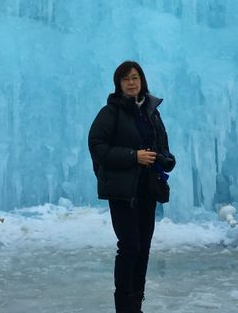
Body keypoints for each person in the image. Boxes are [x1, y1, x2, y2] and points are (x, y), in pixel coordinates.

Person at [88, 61, 176, 313]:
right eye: (125, 79)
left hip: (146, 188)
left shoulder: (151, 112)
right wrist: (133, 156)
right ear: (118, 83)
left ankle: (136, 303)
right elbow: (97, 146)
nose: (130, 82)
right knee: (130, 246)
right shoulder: (110, 112)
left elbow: (162, 144)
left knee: (144, 247)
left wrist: (165, 159)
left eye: (135, 78)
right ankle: (124, 307)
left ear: (142, 81)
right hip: (122, 191)